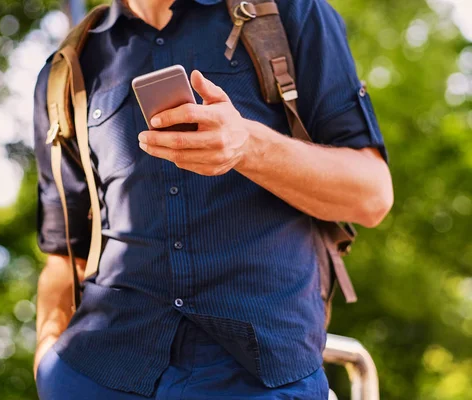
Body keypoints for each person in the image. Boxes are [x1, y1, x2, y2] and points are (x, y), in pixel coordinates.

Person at [32, 0, 393, 398]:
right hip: (97, 376)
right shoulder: (70, 65)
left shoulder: (290, 12)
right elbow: (65, 256)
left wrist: (249, 146)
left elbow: (372, 194)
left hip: (264, 378)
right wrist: (47, 363)